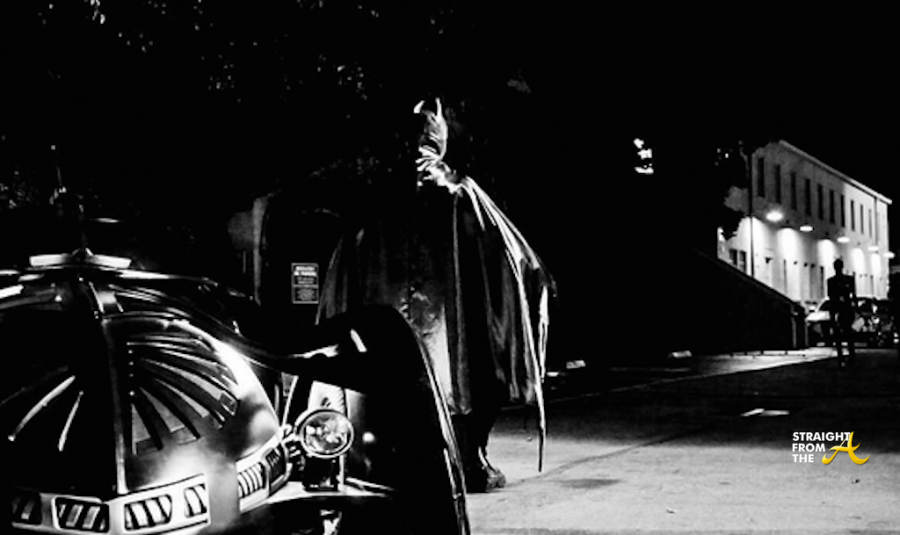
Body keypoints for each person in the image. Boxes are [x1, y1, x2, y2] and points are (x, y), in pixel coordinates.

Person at [318, 98, 554, 492]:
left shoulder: (377, 198)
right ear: (439, 140)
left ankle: (389, 463)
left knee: (390, 389)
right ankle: (469, 462)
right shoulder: (460, 193)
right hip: (454, 339)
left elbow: (344, 265)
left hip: (384, 338)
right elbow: (517, 259)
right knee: (470, 380)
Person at [827, 258, 857, 368]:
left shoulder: (831, 281)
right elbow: (853, 296)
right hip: (846, 309)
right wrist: (855, 309)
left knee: (839, 336)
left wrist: (832, 314)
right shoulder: (848, 280)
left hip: (837, 310)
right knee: (848, 335)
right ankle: (851, 357)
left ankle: (841, 358)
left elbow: (831, 297)